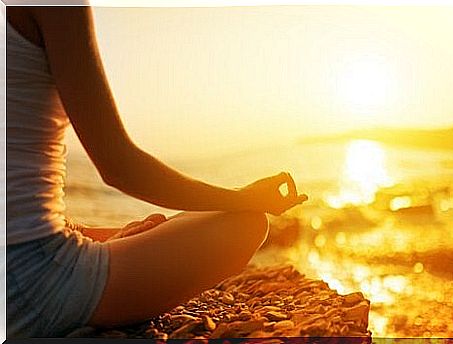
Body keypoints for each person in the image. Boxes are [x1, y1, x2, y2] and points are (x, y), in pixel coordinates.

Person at [6, 5, 308, 338]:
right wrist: (243, 198)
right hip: (31, 287)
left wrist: (104, 235)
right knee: (245, 224)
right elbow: (120, 168)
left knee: (156, 227)